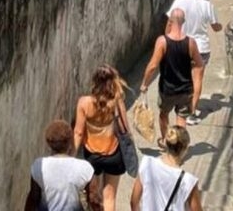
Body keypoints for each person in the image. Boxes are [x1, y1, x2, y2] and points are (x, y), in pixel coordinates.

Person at [139, 9, 203, 147]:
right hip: (186, 89)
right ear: (184, 22)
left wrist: (145, 84)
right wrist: (197, 90)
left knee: (163, 115)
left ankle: (165, 141)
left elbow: (152, 66)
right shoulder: (191, 43)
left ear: (170, 21)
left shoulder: (162, 42)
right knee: (181, 119)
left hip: (167, 90)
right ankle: (178, 147)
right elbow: (199, 64)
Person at [166, 0, 222, 124]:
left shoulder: (179, 1)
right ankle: (190, 114)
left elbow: (170, 22)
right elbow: (216, 27)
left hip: (181, 45)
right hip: (201, 47)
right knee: (197, 79)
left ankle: (177, 108)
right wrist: (221, 26)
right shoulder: (207, 5)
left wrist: (167, 39)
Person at [73, 65, 130, 211]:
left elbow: (78, 132)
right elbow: (125, 130)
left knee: (93, 196)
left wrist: (71, 156)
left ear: (94, 81)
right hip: (113, 154)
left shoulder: (84, 103)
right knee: (109, 197)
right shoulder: (116, 102)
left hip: (92, 155)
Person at [24, 119, 100, 211]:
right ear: (70, 142)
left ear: (48, 143)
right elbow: (94, 199)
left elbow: (34, 199)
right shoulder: (85, 168)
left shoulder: (38, 166)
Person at [130, 125, 202, 211]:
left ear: (165, 142)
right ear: (185, 149)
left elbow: (134, 202)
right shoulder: (188, 181)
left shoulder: (147, 163)